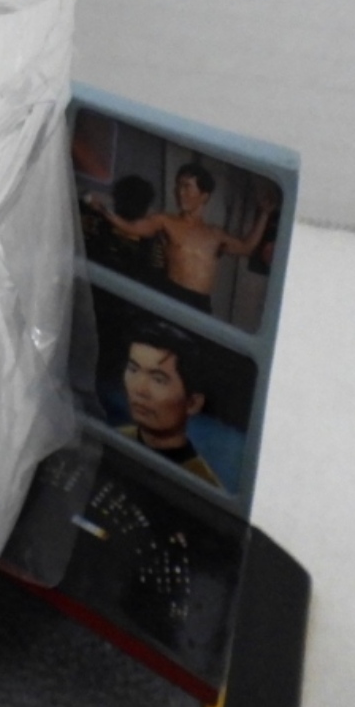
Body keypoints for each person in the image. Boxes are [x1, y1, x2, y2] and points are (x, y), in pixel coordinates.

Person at [89, 163, 274, 314]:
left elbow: (246, 248)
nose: (180, 192)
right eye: (178, 186)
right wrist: (104, 211)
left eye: (187, 186)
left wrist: (264, 214)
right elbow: (133, 227)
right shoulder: (165, 221)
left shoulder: (215, 234)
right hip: (173, 295)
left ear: (204, 196)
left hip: (201, 304)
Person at [119, 322, 220, 488]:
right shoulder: (113, 440)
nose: (139, 389)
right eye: (133, 369)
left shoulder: (202, 486)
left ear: (193, 403)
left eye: (158, 379)